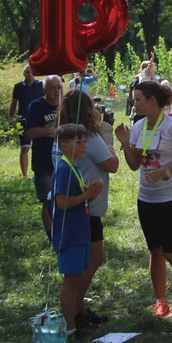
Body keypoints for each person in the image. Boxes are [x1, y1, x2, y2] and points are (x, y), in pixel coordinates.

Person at [115, 81, 172, 318]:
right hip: (147, 197)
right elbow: (135, 166)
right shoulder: (138, 126)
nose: (134, 105)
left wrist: (165, 171)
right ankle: (161, 301)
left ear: (152, 100)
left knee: (171, 251)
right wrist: (125, 142)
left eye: (138, 100)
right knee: (155, 251)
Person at [57, 91, 119, 330]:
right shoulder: (88, 138)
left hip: (84, 207)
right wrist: (110, 143)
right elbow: (111, 165)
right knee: (91, 261)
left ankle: (80, 310)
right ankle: (73, 312)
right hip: (86, 209)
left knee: (85, 262)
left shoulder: (67, 135)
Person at [51, 124, 104, 338]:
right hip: (70, 234)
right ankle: (70, 328)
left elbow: (76, 197)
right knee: (71, 283)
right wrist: (86, 196)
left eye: (84, 142)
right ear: (64, 146)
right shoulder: (63, 169)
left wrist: (90, 194)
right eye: (79, 142)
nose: (84, 146)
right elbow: (61, 202)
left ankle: (75, 321)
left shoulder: (74, 166)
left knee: (77, 278)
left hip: (80, 231)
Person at [26, 75, 63, 242]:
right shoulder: (36, 107)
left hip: (65, 162)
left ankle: (64, 233)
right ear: (44, 90)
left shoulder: (66, 106)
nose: (56, 92)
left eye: (59, 88)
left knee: (64, 199)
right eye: (52, 88)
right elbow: (29, 132)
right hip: (44, 162)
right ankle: (52, 237)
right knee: (48, 202)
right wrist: (51, 131)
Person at [9, 65, 43, 178]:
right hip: (23, 119)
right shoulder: (18, 87)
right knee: (25, 147)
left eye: (32, 72)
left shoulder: (41, 85)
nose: (30, 74)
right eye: (27, 72)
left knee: (39, 147)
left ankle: (38, 173)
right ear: (24, 74)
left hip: (39, 119)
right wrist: (11, 118)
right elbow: (14, 103)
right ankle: (24, 176)